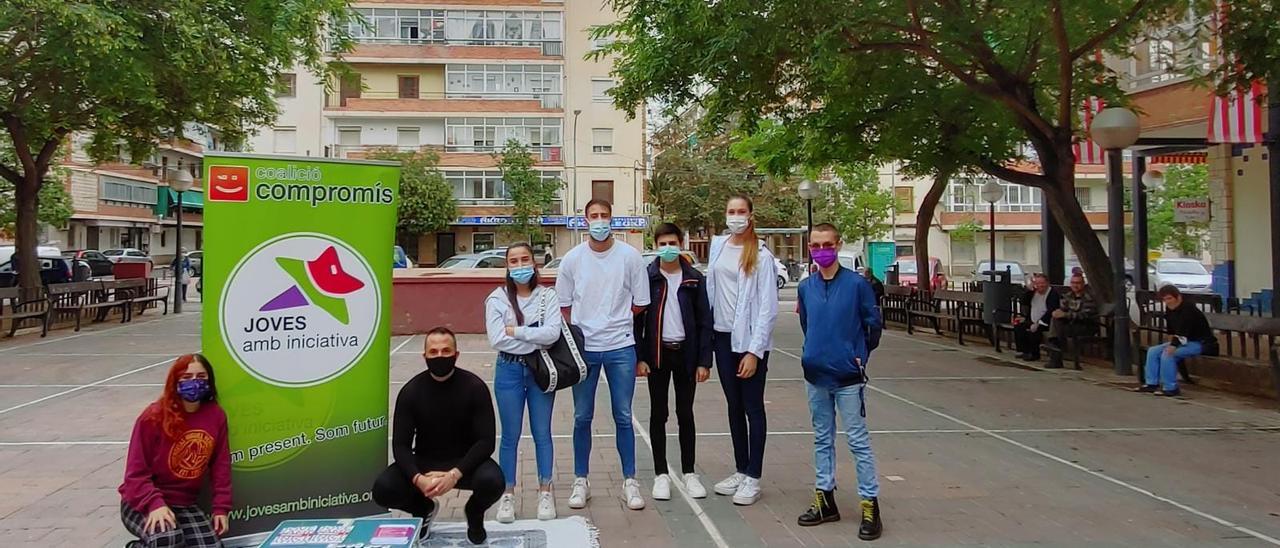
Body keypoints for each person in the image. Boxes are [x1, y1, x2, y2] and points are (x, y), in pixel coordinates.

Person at [555, 199, 650, 511]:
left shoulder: (630, 257)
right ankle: (580, 480)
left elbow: (640, 303)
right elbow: (564, 306)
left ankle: (630, 481)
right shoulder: (571, 260)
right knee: (582, 416)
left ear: (612, 219)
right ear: (584, 221)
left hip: (621, 346)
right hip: (585, 349)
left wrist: (616, 320)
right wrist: (584, 331)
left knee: (623, 415)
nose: (599, 221)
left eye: (604, 215)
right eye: (593, 216)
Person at [795, 224, 883, 539]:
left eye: (827, 244)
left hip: (848, 376)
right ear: (809, 248)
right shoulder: (806, 287)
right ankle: (824, 500)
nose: (822, 250)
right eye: (816, 245)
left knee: (858, 441)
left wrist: (857, 356)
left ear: (838, 244)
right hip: (816, 374)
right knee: (822, 438)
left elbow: (873, 325)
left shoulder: (857, 285)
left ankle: (870, 505)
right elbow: (807, 322)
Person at [372, 328, 501, 545]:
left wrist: (454, 474)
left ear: (456, 355)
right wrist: (417, 478)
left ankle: (474, 513)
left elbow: (486, 441)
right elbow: (401, 446)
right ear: (424, 357)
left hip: (465, 463)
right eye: (433, 352)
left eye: (446, 351)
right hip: (425, 461)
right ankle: (423, 509)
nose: (440, 356)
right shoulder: (411, 391)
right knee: (383, 489)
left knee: (493, 481)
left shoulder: (475, 387)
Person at [706, 194, 779, 506]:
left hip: (748, 342)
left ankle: (753, 477)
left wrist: (754, 351)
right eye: (730, 211)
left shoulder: (762, 256)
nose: (735, 216)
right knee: (733, 406)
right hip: (722, 339)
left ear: (750, 215)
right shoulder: (718, 247)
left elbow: (767, 307)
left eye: (741, 211)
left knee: (752, 407)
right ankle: (740, 468)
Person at [634, 223, 714, 501]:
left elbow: (705, 322)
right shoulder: (648, 277)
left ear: (681, 243)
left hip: (687, 356)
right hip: (657, 355)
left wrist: (704, 361)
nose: (668, 249)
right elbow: (637, 320)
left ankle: (689, 472)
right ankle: (661, 475)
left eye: (672, 243)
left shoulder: (693, 279)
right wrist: (640, 357)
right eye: (662, 243)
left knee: (685, 413)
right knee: (659, 414)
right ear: (655, 246)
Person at [119, 354, 231, 548]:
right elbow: (135, 474)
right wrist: (154, 505)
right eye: (186, 378)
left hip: (183, 503)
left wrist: (221, 507)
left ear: (209, 380)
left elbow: (221, 466)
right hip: (142, 501)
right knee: (168, 539)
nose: (194, 382)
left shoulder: (216, 416)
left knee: (211, 546)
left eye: (201, 376)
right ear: (174, 381)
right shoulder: (153, 417)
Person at [485, 244, 562, 523]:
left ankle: (545, 490)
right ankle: (507, 495)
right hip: (508, 370)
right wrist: (533, 334)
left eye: (525, 260)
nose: (520, 265)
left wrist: (516, 330)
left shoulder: (547, 296)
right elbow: (496, 339)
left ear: (535, 263)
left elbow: (552, 334)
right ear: (507, 266)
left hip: (540, 370)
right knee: (510, 436)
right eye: (513, 261)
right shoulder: (497, 299)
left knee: (543, 433)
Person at [1135, 285, 1218, 397]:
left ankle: (1170, 387)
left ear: (1178, 297)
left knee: (1168, 354)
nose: (1167, 302)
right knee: (1153, 351)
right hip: (1183, 341)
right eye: (1164, 299)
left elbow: (1183, 332)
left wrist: (1173, 346)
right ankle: (1151, 383)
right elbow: (1171, 330)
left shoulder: (1188, 310)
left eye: (1169, 298)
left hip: (1201, 343)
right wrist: (1170, 343)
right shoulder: (1170, 309)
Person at [1044, 273, 1099, 368]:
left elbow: (1084, 315)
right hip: (1070, 324)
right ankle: (1054, 346)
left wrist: (1065, 314)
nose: (1075, 285)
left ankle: (1054, 347)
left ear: (1083, 284)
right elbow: (1063, 308)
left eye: (1078, 283)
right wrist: (1058, 313)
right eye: (1073, 283)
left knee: (1058, 329)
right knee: (1056, 320)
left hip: (1085, 325)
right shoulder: (1068, 295)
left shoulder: (1088, 297)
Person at [1012, 273, 1060, 361]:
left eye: (1042, 283)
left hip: (1046, 321)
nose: (1040, 286)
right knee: (1019, 325)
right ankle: (1024, 351)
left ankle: (1034, 354)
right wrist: (1029, 290)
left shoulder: (1052, 294)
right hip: (1032, 319)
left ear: (1047, 283)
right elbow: (1023, 301)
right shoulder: (1033, 293)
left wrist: (1039, 322)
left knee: (1035, 330)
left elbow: (1051, 311)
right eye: (1037, 283)